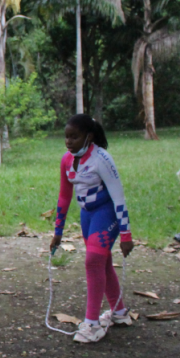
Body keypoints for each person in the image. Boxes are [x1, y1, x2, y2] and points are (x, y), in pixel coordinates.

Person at [49, 114, 134, 345]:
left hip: (106, 214)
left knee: (93, 262)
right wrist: (58, 231)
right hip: (87, 216)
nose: (69, 142)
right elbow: (64, 196)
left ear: (89, 136)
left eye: (74, 137)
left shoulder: (101, 159)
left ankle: (92, 323)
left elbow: (118, 196)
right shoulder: (67, 160)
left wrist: (126, 235)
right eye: (66, 137)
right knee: (102, 263)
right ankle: (119, 312)